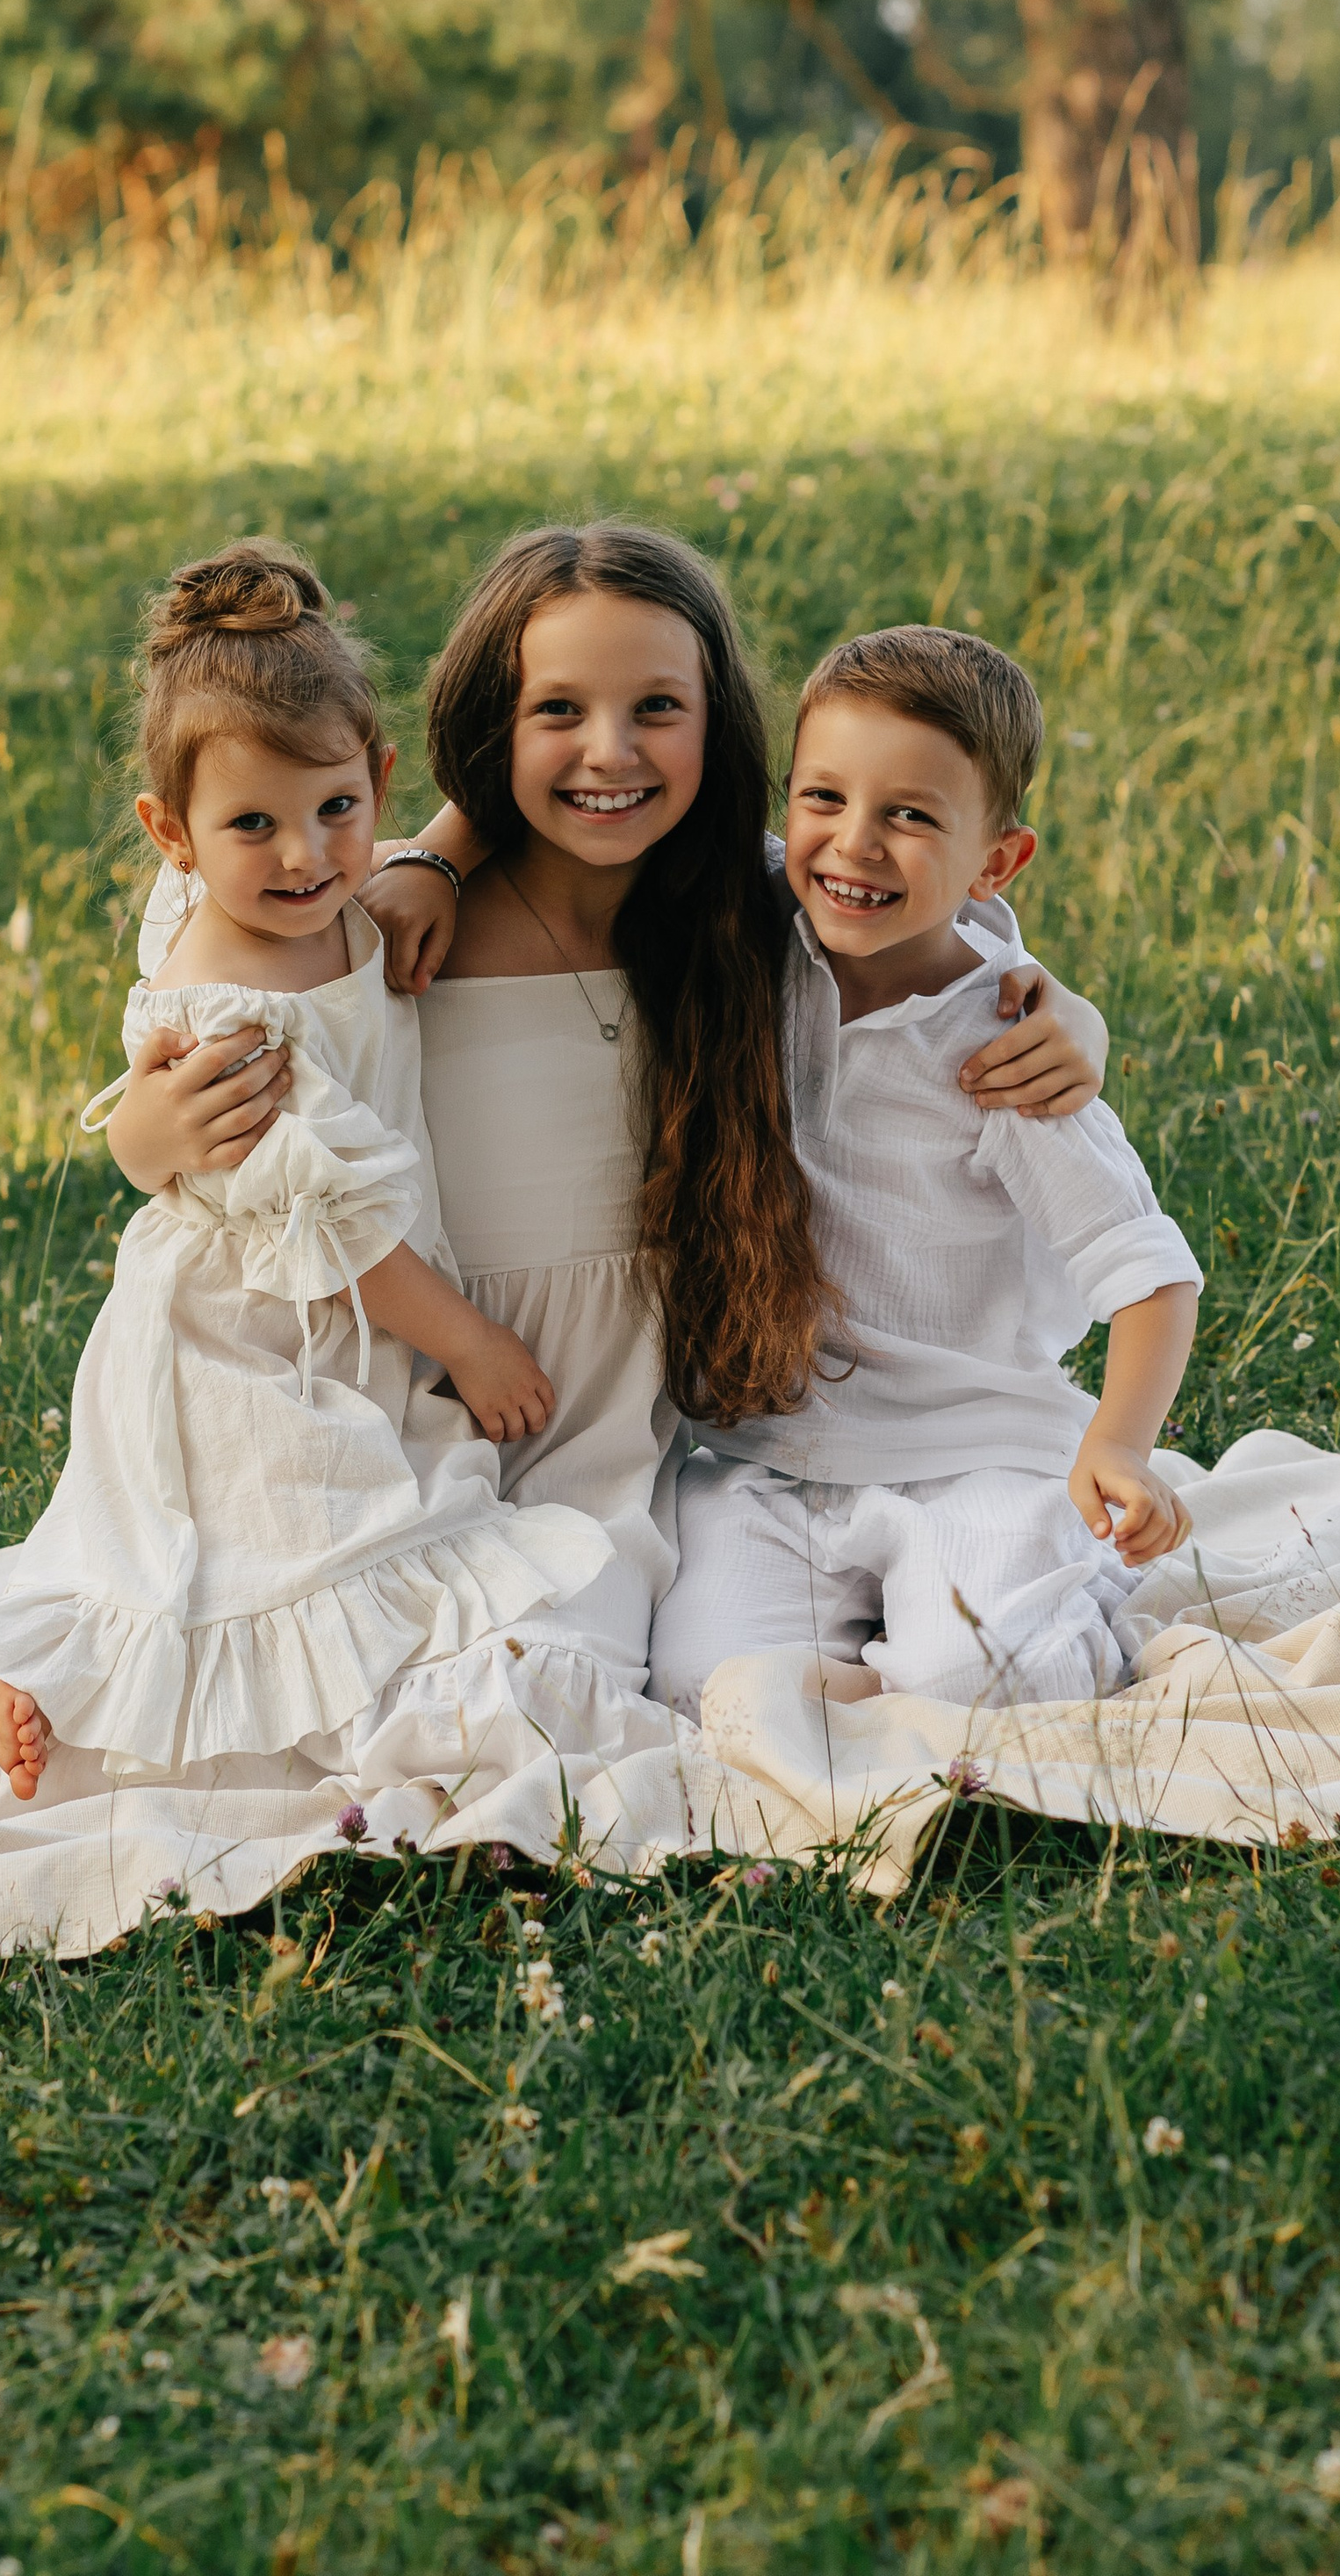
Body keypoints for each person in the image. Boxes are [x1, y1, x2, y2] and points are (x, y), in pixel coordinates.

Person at [109, 525, 1111, 1793]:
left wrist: (1070, 1014)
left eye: (658, 709)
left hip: (603, 1425)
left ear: (717, 722)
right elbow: (213, 1058)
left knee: (545, 1709)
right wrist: (140, 1138)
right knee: (321, 1710)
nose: (610, 751)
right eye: (558, 710)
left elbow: (929, 931)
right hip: (401, 1394)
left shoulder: (742, 911)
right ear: (493, 724)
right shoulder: (374, 914)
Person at [0, 542, 607, 1801]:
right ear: (173, 836)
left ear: (378, 782)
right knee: (276, 1566)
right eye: (251, 825)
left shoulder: (342, 897)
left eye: (336, 810)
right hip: (244, 1340)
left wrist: (428, 855)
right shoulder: (236, 1018)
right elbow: (334, 1224)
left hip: (340, 1320)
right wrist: (470, 1343)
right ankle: (50, 1675)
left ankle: (58, 1657)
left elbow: (469, 816)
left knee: (359, 1541)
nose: (305, 855)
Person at [646, 622, 1203, 1721]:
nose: (853, 844)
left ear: (996, 862)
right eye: (823, 798)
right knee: (695, 1683)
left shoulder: (1002, 1048)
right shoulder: (755, 936)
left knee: (991, 1683)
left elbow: (1148, 1269)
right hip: (769, 1457)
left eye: (909, 816)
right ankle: (886, 1664)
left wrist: (1120, 1446)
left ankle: (1038, 1595)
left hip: (973, 1450)